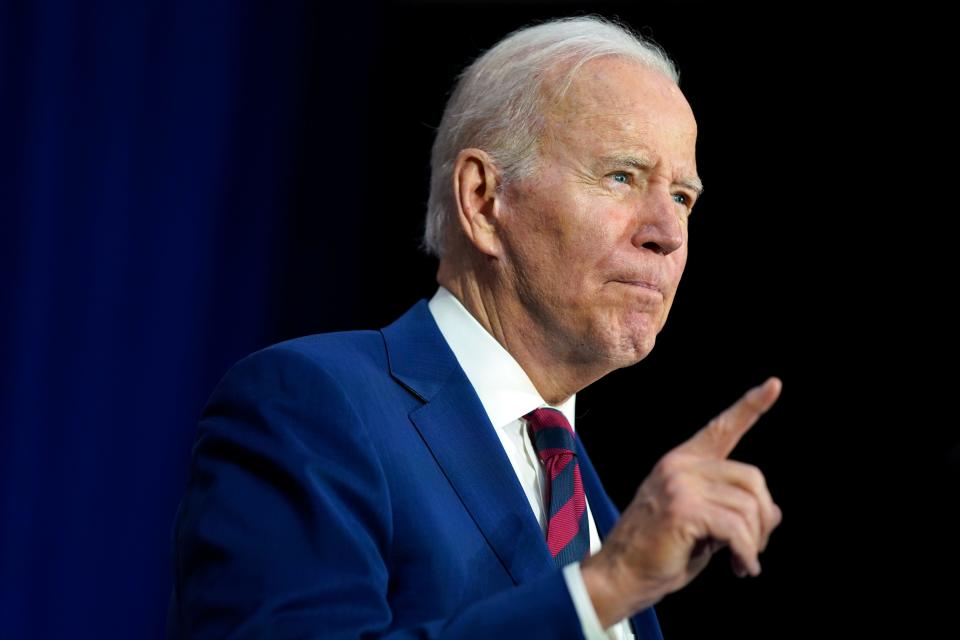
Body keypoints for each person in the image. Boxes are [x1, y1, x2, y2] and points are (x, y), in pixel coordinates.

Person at [167, 16, 782, 639]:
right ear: (484, 200)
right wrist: (605, 588)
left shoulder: (587, 499)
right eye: (622, 176)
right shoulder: (308, 406)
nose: (668, 234)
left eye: (682, 197)